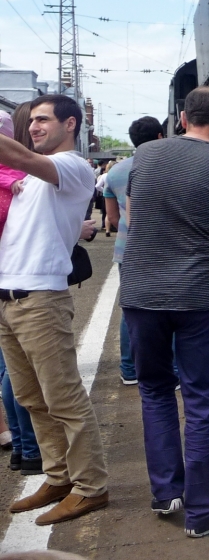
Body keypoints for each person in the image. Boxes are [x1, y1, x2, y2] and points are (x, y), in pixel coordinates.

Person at [120, 86, 209, 537]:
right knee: (201, 402)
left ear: (182, 118)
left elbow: (136, 221)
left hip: (141, 295)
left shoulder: (146, 159)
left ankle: (166, 493)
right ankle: (202, 514)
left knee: (155, 390)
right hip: (198, 300)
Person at [0, 94, 108, 525]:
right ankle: (59, 476)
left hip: (41, 300)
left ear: (71, 125)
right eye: (32, 121)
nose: (36, 126)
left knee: (63, 398)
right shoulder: (27, 179)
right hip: (8, 296)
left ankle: (91, 486)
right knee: (30, 397)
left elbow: (20, 154)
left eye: (45, 120)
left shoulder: (73, 168)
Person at [102, 117, 165, 385]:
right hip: (163, 248)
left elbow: (112, 217)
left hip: (127, 249)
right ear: (161, 137)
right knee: (167, 308)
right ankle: (167, 368)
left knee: (131, 311)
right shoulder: (166, 168)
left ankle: (129, 369)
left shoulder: (115, 172)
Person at [0, 108, 42, 476]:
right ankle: (29, 449)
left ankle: (22, 447)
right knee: (19, 373)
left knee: (8, 369)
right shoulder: (17, 177)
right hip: (14, 281)